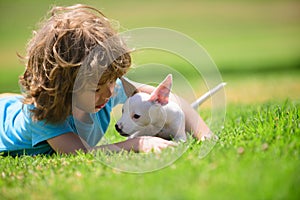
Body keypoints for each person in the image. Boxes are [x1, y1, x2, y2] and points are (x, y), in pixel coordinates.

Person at [0, 4, 212, 156]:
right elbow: (78, 153)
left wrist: (205, 135)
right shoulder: (44, 115)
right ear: (63, 87)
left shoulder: (107, 90)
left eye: (111, 81)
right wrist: (136, 143)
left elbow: (168, 99)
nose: (110, 93)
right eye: (96, 89)